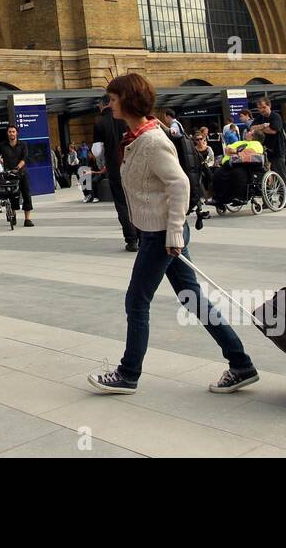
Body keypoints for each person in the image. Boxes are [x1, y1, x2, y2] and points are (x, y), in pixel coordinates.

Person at [86, 73, 259, 396]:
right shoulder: (137, 137)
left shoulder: (152, 140)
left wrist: (175, 233)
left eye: (112, 99)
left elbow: (178, 184)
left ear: (128, 101)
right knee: (193, 299)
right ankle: (241, 364)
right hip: (159, 232)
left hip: (161, 235)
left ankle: (128, 374)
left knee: (137, 301)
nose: (108, 105)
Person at [94, 97, 140, 252]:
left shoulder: (100, 123)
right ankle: (143, 236)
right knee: (137, 200)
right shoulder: (126, 119)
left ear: (102, 105)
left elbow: (96, 151)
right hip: (133, 164)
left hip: (115, 167)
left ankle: (131, 240)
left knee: (122, 204)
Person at [0, 125, 35, 227]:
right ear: (7, 133)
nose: (11, 133)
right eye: (10, 132)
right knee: (12, 195)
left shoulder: (23, 144)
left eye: (13, 131)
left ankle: (27, 219)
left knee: (26, 195)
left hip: (22, 173)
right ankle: (13, 215)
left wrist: (17, 168)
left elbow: (24, 159)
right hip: (9, 174)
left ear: (17, 133)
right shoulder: (2, 145)